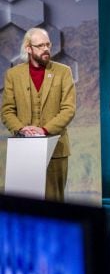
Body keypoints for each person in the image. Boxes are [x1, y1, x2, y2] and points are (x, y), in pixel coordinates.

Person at [1, 27, 75, 201]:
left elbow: (68, 109)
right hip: (24, 149)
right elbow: (7, 110)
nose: (46, 49)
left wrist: (45, 130)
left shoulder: (63, 72)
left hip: (56, 149)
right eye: (40, 45)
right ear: (28, 48)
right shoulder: (13, 74)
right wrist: (21, 128)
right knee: (24, 203)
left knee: (54, 202)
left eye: (47, 44)